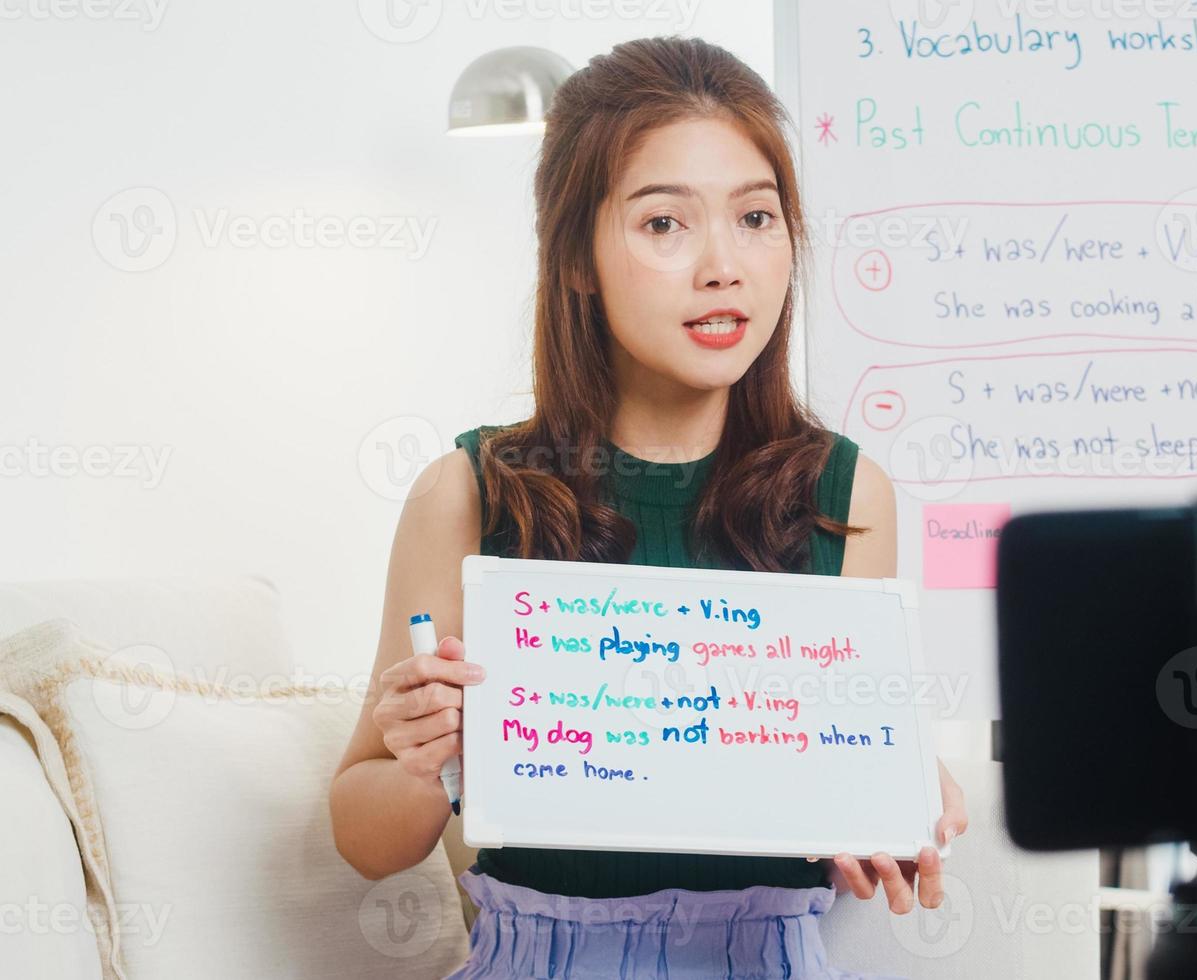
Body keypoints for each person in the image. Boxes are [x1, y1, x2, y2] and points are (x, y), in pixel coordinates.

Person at [330, 34, 968, 979]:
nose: (724, 266)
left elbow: (842, 816)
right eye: (664, 224)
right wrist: (424, 758)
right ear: (578, 257)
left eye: (757, 217)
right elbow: (365, 835)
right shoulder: (470, 492)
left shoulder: (844, 496)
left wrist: (894, 791)